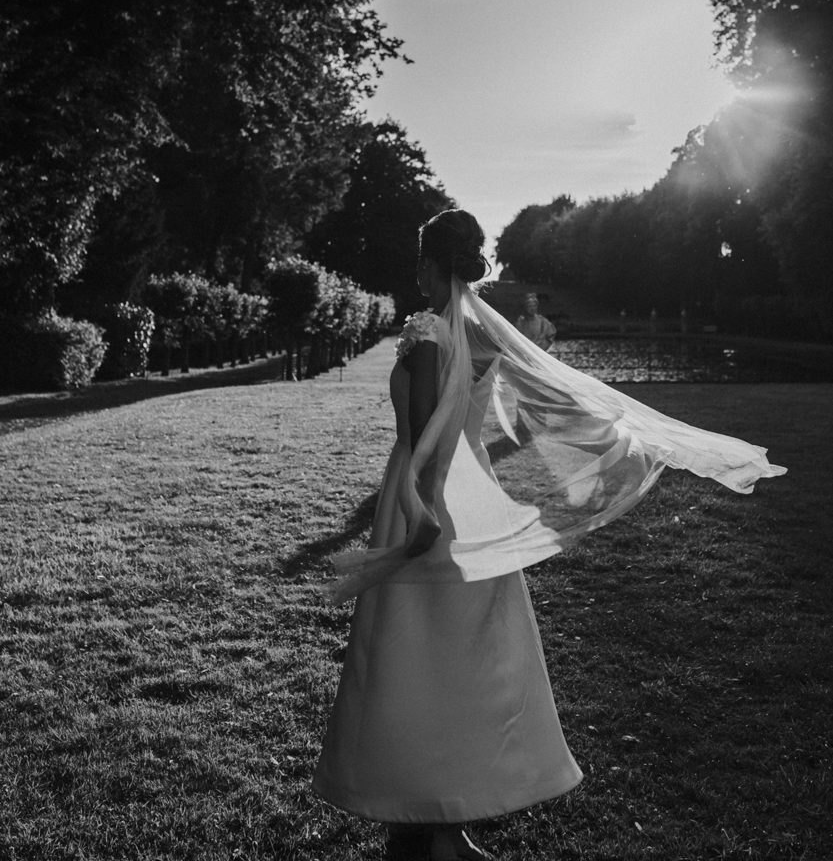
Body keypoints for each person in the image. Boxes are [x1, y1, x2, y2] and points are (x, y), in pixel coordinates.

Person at [312, 209, 785, 861]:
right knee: (463, 663)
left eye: (420, 261)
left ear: (430, 266)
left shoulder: (427, 334)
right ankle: (437, 826)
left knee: (412, 659)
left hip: (425, 503)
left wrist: (418, 515)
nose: (415, 273)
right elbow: (514, 428)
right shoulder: (484, 340)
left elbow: (420, 443)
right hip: (469, 500)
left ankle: (425, 827)